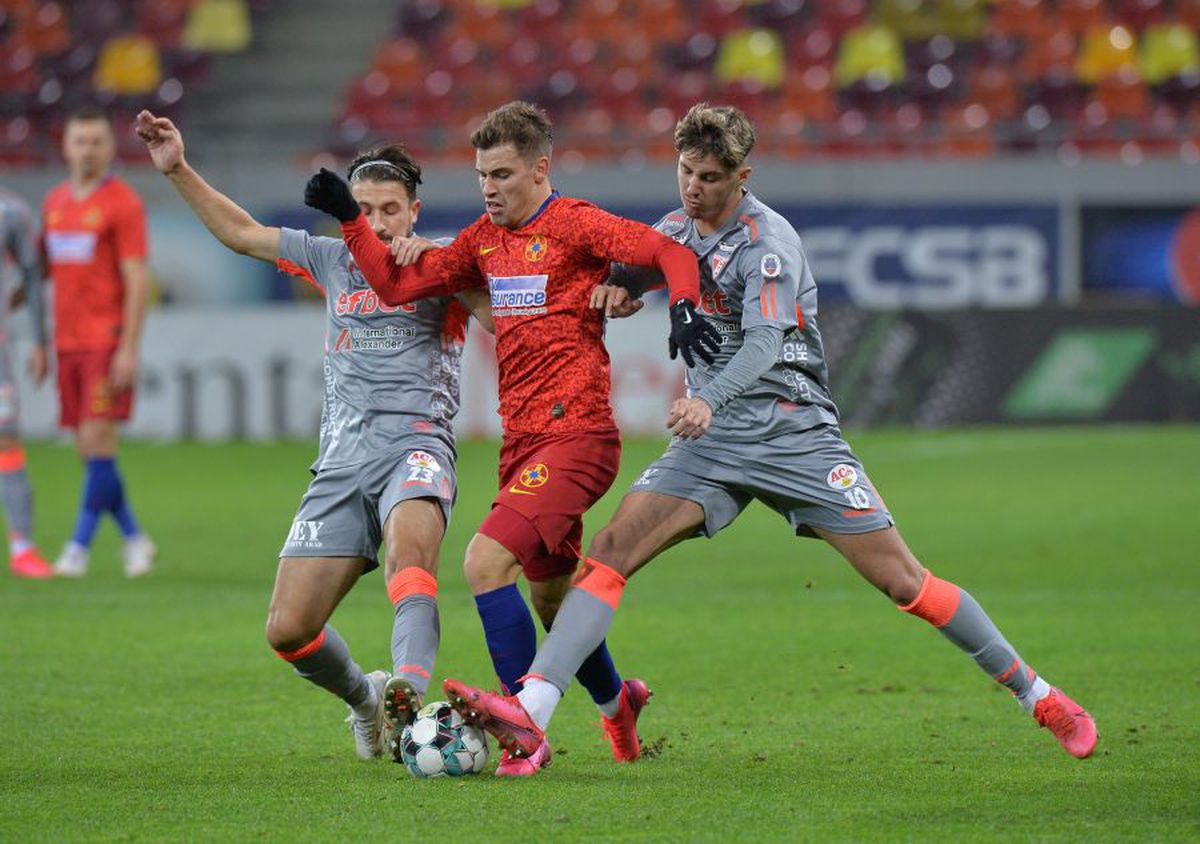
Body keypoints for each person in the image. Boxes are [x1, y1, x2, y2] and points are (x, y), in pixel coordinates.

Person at [439, 103, 1099, 773]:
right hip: (713, 445)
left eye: (710, 177)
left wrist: (705, 397)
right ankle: (533, 712)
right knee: (607, 552)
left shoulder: (768, 243)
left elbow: (763, 345)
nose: (693, 188)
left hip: (793, 432)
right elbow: (638, 268)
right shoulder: (678, 229)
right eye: (685, 172)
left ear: (742, 176)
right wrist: (617, 290)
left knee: (905, 582)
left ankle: (1039, 696)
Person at [304, 100, 720, 776]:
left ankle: (519, 724)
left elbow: (668, 249)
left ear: (540, 169)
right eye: (480, 176)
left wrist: (681, 303)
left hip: (579, 436)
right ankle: (619, 705)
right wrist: (354, 224)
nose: (489, 188)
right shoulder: (479, 242)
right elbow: (392, 281)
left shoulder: (577, 225)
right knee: (554, 603)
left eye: (501, 174)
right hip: (522, 445)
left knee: (482, 563)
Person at [135, 110, 491, 761]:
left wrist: (452, 270)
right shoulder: (329, 259)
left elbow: (500, 321)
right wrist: (177, 168)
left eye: (391, 209)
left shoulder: (443, 266)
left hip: (417, 447)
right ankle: (367, 699)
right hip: (341, 462)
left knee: (409, 558)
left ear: (414, 210)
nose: (379, 222)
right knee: (289, 629)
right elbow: (241, 233)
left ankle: (409, 699)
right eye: (365, 208)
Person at [41, 107, 155, 578]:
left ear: (109, 148)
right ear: (65, 146)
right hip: (66, 343)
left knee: (98, 438)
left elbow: (137, 281)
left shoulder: (122, 204)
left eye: (96, 141)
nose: (87, 150)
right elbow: (43, 272)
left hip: (104, 340)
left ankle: (77, 548)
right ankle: (135, 538)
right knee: (88, 449)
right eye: (79, 141)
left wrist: (128, 346)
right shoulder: (54, 204)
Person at [0, 186, 52, 578]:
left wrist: (39, 340)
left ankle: (22, 548)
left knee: (7, 441)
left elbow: (32, 277)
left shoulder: (11, 211)